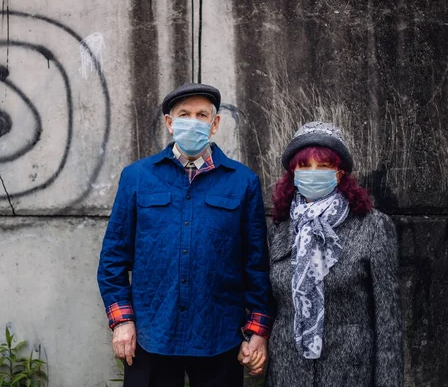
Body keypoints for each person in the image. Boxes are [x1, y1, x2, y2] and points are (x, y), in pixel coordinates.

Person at [97, 83, 274, 387]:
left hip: (219, 336)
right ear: (169, 123)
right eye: (184, 115)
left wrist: (257, 330)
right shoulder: (138, 177)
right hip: (152, 335)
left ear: (215, 124)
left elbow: (255, 264)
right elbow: (113, 259)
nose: (193, 121)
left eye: (202, 115)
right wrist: (122, 321)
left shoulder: (243, 182)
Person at [265, 122, 403, 386]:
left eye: (324, 166)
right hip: (288, 372)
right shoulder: (280, 230)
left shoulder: (373, 226)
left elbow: (388, 323)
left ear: (339, 174)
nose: (313, 173)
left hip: (349, 371)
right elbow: (272, 305)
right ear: (293, 173)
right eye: (304, 166)